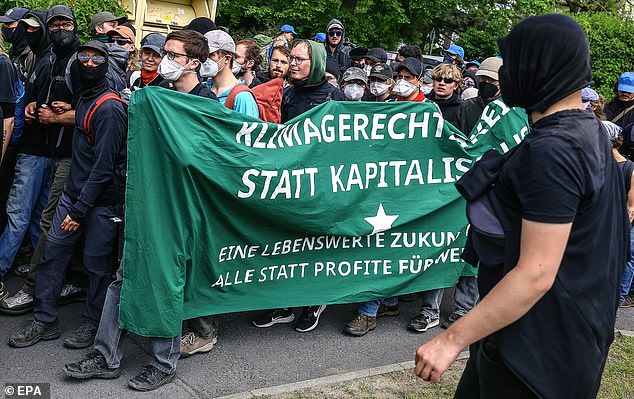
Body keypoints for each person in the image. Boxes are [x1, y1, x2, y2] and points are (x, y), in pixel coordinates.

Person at [415, 15, 627, 399]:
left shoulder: (553, 151)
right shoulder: (589, 130)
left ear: (540, 67)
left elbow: (536, 273)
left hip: (533, 360)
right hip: (554, 343)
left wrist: (450, 340)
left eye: (513, 64)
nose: (505, 76)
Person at [64, 31, 213, 391]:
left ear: (193, 62)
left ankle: (164, 361)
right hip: (144, 201)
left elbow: (204, 160)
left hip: (178, 209)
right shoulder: (156, 95)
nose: (165, 59)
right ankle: (106, 355)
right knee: (123, 274)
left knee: (168, 281)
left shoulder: (206, 105)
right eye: (166, 53)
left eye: (174, 54)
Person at [252, 39, 344, 332]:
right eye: (290, 58)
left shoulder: (334, 95)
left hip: (321, 185)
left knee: (317, 246)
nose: (292, 64)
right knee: (289, 245)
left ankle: (315, 301)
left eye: (299, 59)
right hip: (292, 182)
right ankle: (284, 305)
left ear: (314, 62)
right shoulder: (288, 93)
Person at [603, 121, 634, 308]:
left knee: (628, 255)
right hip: (604, 219)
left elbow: (632, 206)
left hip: (623, 221)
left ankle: (619, 297)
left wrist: (621, 226)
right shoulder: (598, 163)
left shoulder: (629, 168)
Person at [202, 30, 258, 117]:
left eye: (211, 55)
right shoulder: (204, 88)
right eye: (204, 55)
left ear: (227, 59)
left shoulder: (242, 97)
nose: (205, 60)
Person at [456, 56, 503, 135]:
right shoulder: (466, 106)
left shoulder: (508, 110)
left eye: (492, 79)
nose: (487, 81)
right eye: (483, 77)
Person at [0, 7, 33, 83]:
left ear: (23, 25)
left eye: (9, 23)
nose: (5, 26)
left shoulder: (31, 54)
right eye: (4, 23)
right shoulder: (14, 50)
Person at [426, 63, 462, 127]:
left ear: (456, 85)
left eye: (448, 80)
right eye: (438, 79)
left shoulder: (460, 109)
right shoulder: (423, 103)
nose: (441, 83)